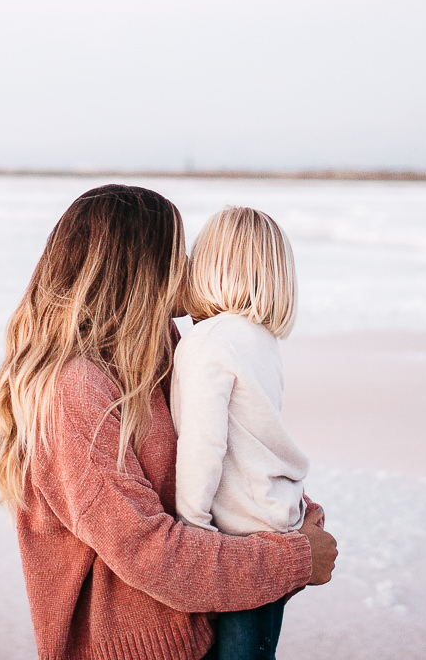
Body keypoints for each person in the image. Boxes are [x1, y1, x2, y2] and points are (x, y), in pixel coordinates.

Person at [0, 185, 338, 660]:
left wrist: (294, 510)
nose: (192, 267)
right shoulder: (72, 392)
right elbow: (150, 553)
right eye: (180, 253)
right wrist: (294, 558)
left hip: (197, 628)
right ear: (139, 267)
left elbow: (237, 441)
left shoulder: (162, 345)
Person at [169, 206, 310, 659]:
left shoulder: (207, 343)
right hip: (275, 522)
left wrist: (192, 526)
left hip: (237, 541)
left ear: (205, 265)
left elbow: (203, 444)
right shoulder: (261, 341)